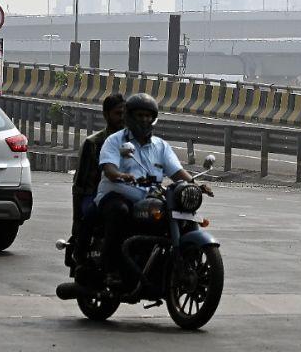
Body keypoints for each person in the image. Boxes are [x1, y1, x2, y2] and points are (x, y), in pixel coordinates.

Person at [96, 93, 211, 290]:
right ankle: (111, 270)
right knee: (119, 212)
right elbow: (109, 168)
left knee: (183, 216)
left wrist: (195, 184)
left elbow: (176, 172)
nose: (145, 119)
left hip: (150, 197)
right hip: (118, 194)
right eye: (140, 115)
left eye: (148, 116)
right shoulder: (115, 141)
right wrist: (120, 175)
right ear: (130, 116)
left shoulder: (160, 145)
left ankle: (184, 267)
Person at [70, 93, 126, 246]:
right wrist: (76, 221)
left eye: (125, 114)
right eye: (118, 114)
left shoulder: (135, 142)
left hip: (125, 194)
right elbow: (79, 186)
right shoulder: (93, 143)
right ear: (106, 115)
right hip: (94, 195)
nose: (122, 118)